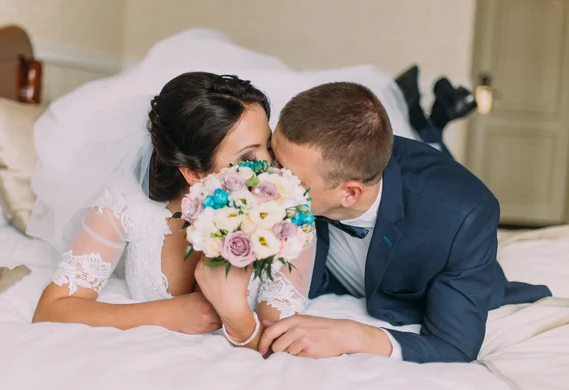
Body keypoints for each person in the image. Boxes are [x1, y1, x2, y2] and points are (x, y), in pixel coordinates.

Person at [234, 81, 551, 363]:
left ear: (350, 193)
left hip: (437, 216)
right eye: (274, 157)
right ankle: (430, 128)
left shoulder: (462, 218)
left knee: (439, 185)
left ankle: (431, 129)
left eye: (289, 175)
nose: (270, 176)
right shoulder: (298, 171)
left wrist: (356, 336)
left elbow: (455, 345)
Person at [30, 72, 314, 347]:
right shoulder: (127, 204)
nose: (273, 165)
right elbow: (52, 309)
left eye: (269, 146)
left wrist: (237, 317)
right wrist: (165, 313)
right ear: (193, 173)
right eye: (249, 156)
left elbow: (281, 340)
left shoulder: (287, 213)